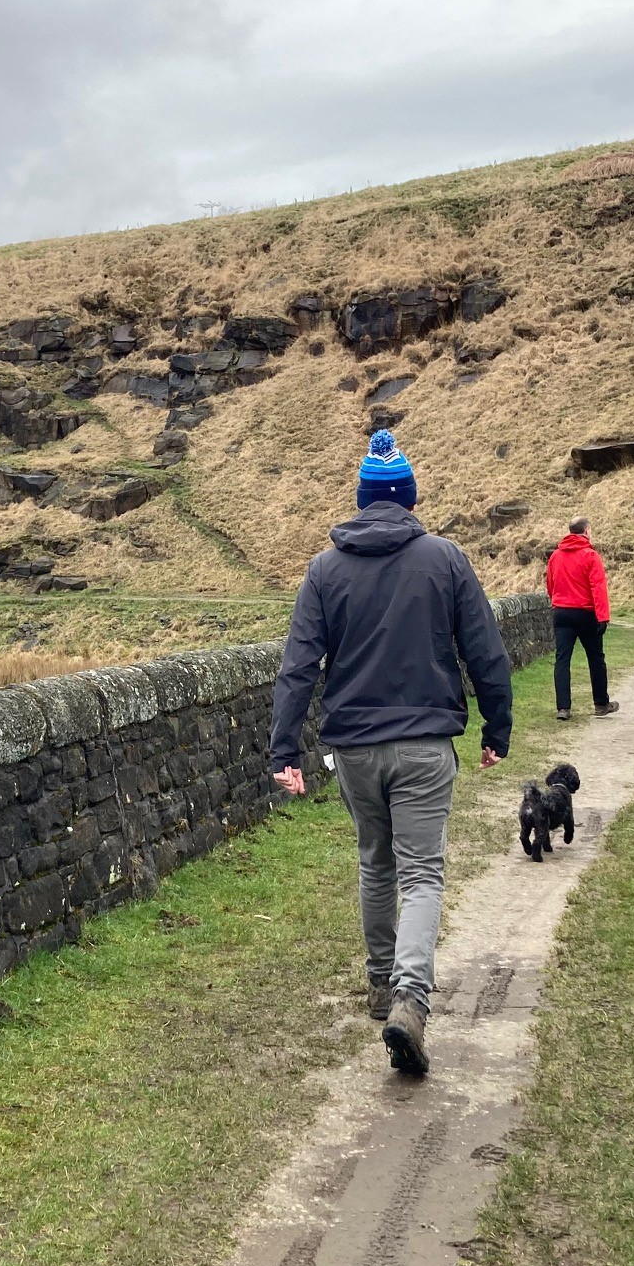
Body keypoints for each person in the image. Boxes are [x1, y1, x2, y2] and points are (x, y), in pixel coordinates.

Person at [270, 429, 512, 1079]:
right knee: (423, 874)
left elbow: (299, 667)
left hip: (353, 747)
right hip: (426, 744)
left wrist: (284, 748)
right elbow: (484, 650)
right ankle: (410, 997)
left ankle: (380, 983)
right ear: (408, 498)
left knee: (375, 861)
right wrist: (497, 726)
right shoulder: (446, 559)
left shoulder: (325, 571)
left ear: (362, 500)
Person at [545, 517, 617, 722]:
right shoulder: (591, 556)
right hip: (586, 613)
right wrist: (603, 617)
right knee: (595, 658)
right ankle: (601, 704)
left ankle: (563, 708)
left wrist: (557, 601)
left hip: (561, 612)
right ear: (586, 531)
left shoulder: (556, 556)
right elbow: (598, 587)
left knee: (562, 659)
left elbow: (550, 584)